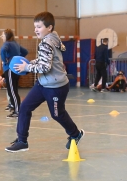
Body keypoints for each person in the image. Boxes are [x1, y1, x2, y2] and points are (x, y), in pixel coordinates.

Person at [5, 11, 84, 152]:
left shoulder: (47, 43)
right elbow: (44, 61)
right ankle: (22, 140)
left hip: (55, 86)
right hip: (43, 83)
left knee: (57, 114)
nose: (36, 30)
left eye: (39, 27)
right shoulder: (52, 39)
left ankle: (75, 134)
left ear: (49, 28)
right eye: (35, 26)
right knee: (25, 107)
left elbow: (45, 67)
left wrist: (27, 67)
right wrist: (29, 63)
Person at [0, 29, 28, 118]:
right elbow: (25, 52)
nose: (1, 36)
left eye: (3, 35)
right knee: (12, 90)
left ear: (7, 36)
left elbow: (2, 51)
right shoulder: (16, 44)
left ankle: (17, 111)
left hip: (10, 69)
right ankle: (14, 106)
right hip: (15, 71)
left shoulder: (7, 44)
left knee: (12, 91)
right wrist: (17, 59)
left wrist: (5, 61)